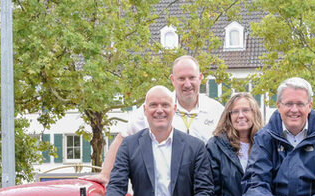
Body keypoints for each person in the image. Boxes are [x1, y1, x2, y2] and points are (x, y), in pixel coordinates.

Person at [89, 55, 224, 185]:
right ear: (173, 80)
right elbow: (122, 137)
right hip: (169, 189)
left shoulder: (216, 110)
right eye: (181, 78)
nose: (187, 84)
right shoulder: (158, 107)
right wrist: (105, 175)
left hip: (205, 187)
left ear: (200, 78)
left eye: (192, 77)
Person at [103, 86, 215, 196]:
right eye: (153, 105)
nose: (159, 110)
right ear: (145, 110)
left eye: (165, 105)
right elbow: (117, 185)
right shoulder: (129, 145)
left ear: (174, 109)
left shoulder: (195, 147)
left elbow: (204, 191)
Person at [206, 92, 264, 196]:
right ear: (229, 116)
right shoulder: (215, 146)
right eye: (235, 112)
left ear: (255, 113)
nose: (241, 115)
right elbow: (210, 191)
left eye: (245, 110)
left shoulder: (266, 144)